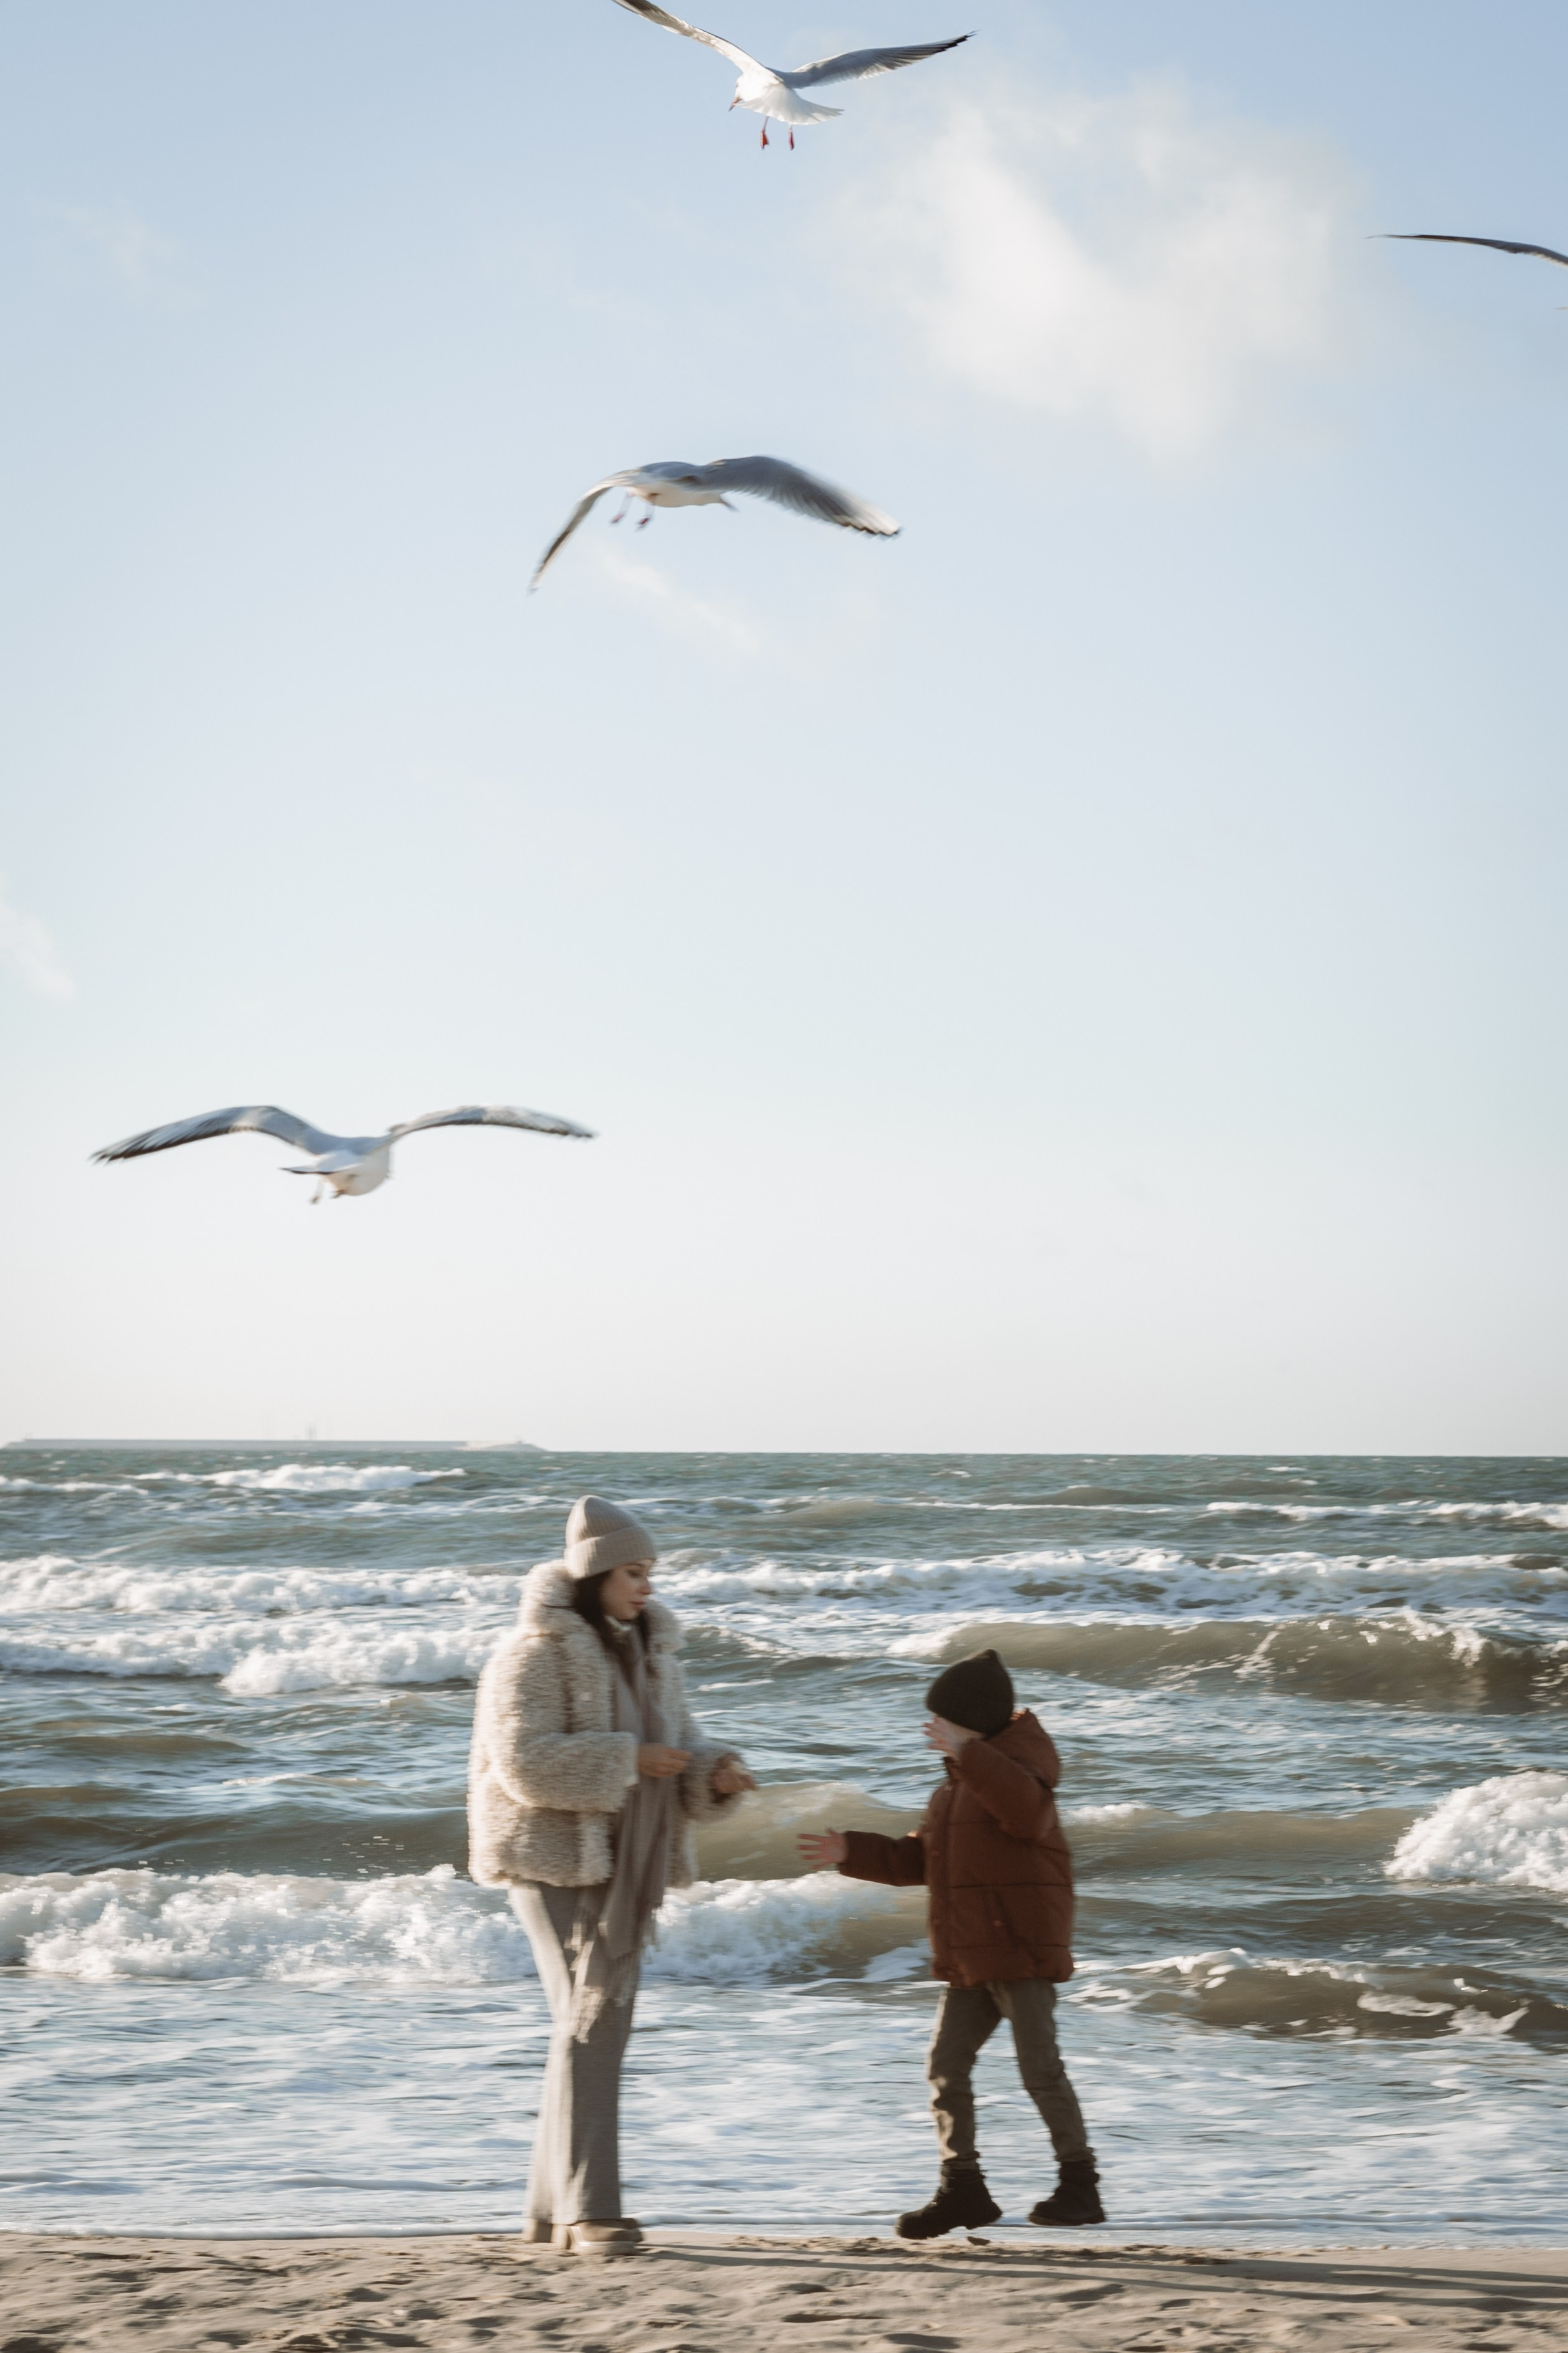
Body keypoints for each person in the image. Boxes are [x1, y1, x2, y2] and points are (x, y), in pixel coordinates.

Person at [468, 1494, 754, 2256]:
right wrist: (628, 1759)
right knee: (595, 2021)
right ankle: (589, 2210)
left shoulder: (653, 1655)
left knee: (587, 2025)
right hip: (551, 1856)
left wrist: (711, 1774)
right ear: (595, 1575)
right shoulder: (531, 1653)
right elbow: (522, 1764)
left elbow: (681, 1745)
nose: (648, 1587)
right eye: (635, 1571)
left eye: (652, 1571)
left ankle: (546, 2213)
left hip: (628, 1859)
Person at [797, 1647, 1102, 2236]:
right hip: (971, 1954)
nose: (933, 1730)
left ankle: (1079, 2185)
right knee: (945, 2068)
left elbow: (1025, 1813)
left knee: (1040, 2072)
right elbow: (920, 1858)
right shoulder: (955, 1788)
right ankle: (962, 2186)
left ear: (977, 1723)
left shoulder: (1021, 1771)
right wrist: (851, 1853)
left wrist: (969, 1753)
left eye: (946, 1721)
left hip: (1020, 1950)